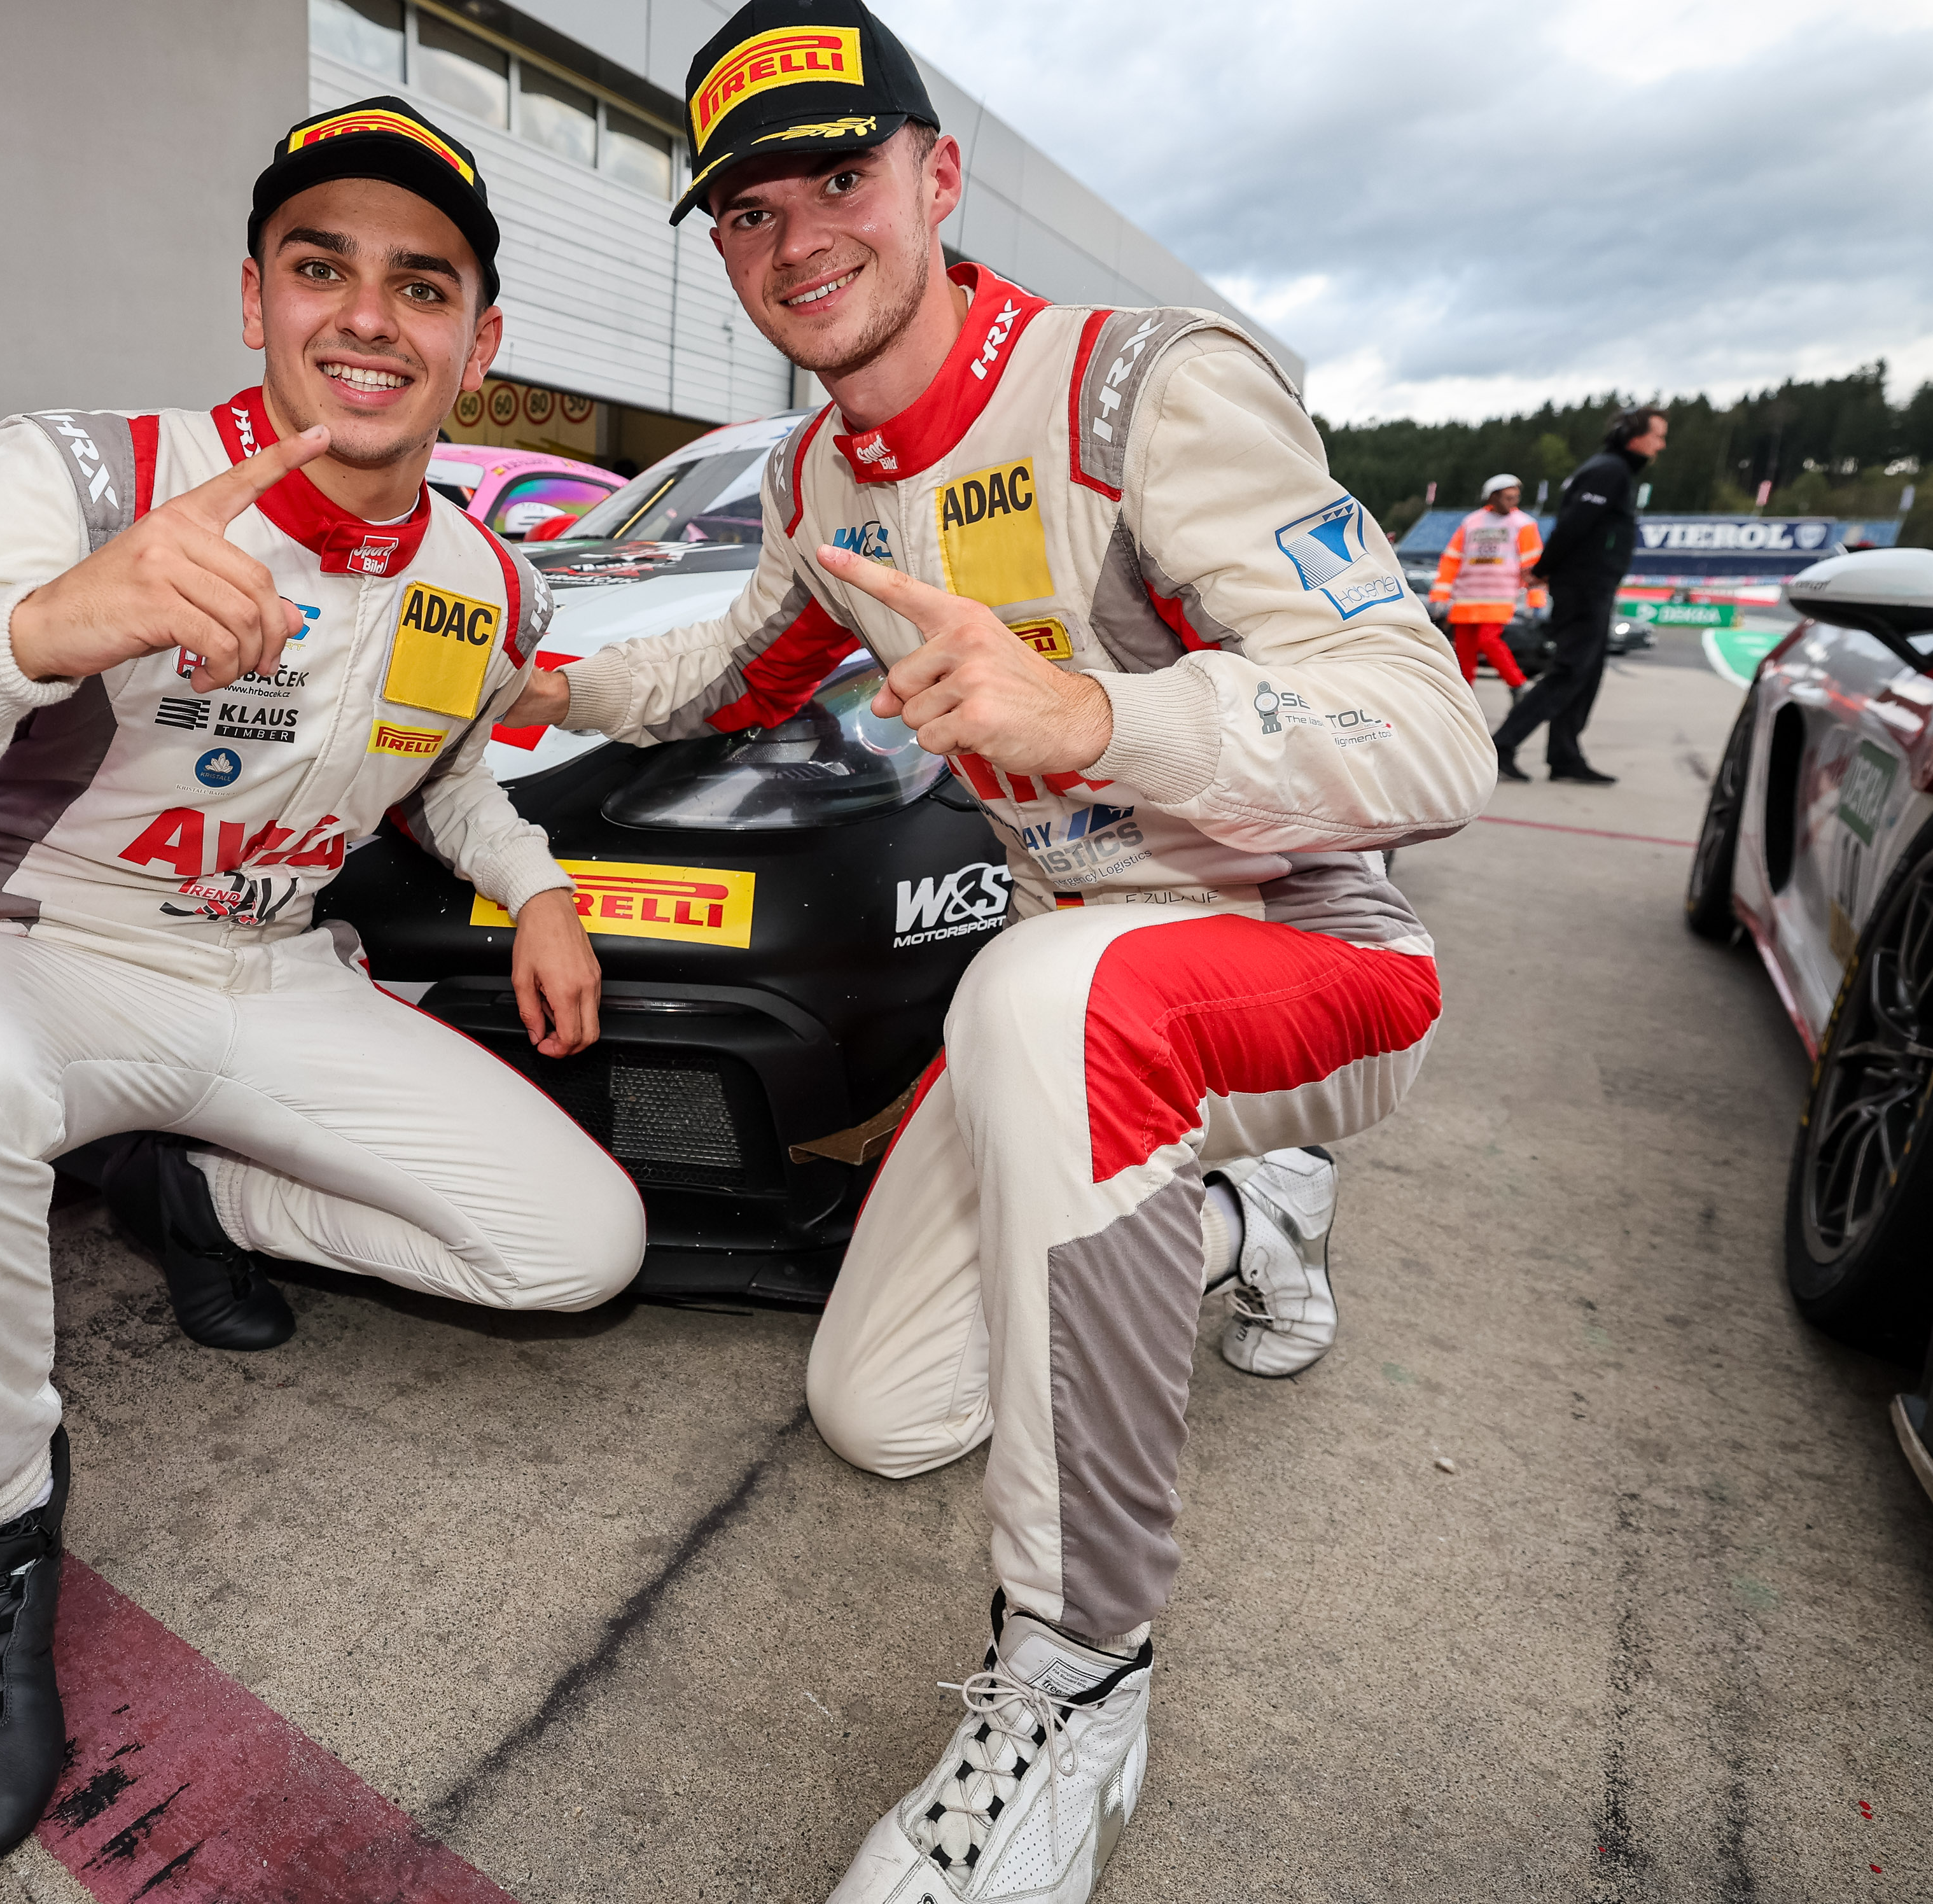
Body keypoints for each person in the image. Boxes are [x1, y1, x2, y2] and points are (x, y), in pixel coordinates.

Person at [501, 4, 1491, 1896]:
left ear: (938, 179)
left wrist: (1103, 718)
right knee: (879, 1414)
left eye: (838, 177)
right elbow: (715, 675)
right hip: (1075, 984)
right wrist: (519, 671)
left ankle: (1077, 1683)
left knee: (1033, 992)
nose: (797, 238)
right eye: (747, 210)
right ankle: (1240, 1221)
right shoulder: (824, 478)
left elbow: (1432, 737)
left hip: (1313, 954)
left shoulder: (1140, 390)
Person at [0, 99, 647, 1866]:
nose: (369, 316)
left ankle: (188, 1193)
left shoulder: (486, 577)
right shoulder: (90, 475)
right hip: (40, 960)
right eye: (321, 267)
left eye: (423, 286)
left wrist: (543, 887)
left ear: (479, 343)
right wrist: (31, 630)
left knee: (579, 1252)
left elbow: (445, 776)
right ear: (253, 298)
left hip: (277, 980)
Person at [1490, 406, 1668, 785]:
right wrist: (1543, 569)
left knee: (1587, 674)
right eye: (1658, 436)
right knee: (1570, 670)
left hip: (1593, 585)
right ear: (1633, 437)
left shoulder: (1613, 471)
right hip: (1583, 587)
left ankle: (1565, 756)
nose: (1661, 445)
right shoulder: (1608, 471)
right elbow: (1573, 526)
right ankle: (1501, 747)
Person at [1430, 472, 1542, 694]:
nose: (1513, 502)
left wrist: (1536, 599)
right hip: (1466, 598)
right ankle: (1464, 696)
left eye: (1516, 497)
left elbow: (1532, 565)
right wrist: (1440, 596)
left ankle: (1518, 685)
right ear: (1493, 497)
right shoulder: (1471, 522)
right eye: (1508, 498)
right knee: (1464, 651)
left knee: (1488, 641)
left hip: (1499, 598)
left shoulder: (1524, 524)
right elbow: (1452, 559)